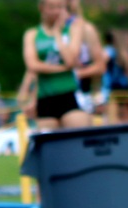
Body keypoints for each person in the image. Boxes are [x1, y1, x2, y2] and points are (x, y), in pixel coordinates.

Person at [23, 0, 92, 130]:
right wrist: (62, 68)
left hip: (68, 95)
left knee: (79, 129)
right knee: (48, 141)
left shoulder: (72, 29)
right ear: (42, 8)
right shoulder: (32, 34)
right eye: (52, 7)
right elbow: (33, 65)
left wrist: (57, 34)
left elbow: (71, 60)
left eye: (60, 7)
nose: (56, 11)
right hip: (44, 99)